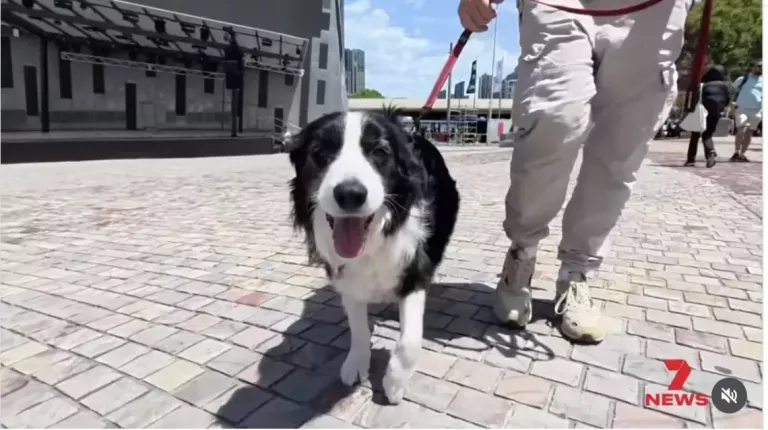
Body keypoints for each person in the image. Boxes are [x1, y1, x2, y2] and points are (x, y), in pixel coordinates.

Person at [459, 0, 690, 343]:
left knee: (619, 153)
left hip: (654, 11)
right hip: (559, 4)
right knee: (554, 120)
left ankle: (576, 272)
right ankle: (522, 254)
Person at [684, 65, 731, 168]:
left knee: (695, 135)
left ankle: (691, 160)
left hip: (701, 112)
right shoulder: (724, 86)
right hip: (715, 112)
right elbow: (727, 100)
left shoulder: (703, 85)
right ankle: (711, 153)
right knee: (707, 135)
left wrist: (688, 111)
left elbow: (695, 99)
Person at [730, 60, 763, 162]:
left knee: (749, 133)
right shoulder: (743, 79)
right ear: (752, 67)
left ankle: (742, 154)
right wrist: (731, 103)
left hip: (757, 110)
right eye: (759, 66)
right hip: (742, 108)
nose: (761, 68)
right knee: (741, 129)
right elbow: (732, 90)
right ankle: (736, 151)